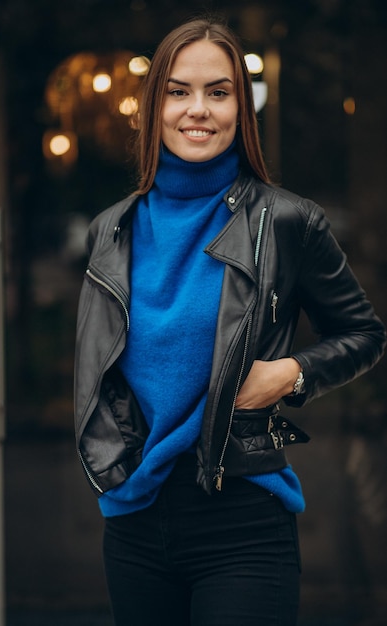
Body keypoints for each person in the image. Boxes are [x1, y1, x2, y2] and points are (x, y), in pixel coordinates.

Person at [74, 17, 386, 626]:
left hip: (243, 523)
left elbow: (365, 334)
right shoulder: (110, 230)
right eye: (178, 91)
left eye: (219, 92)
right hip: (134, 523)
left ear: (242, 108)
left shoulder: (290, 222)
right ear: (152, 104)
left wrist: (292, 373)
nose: (199, 110)